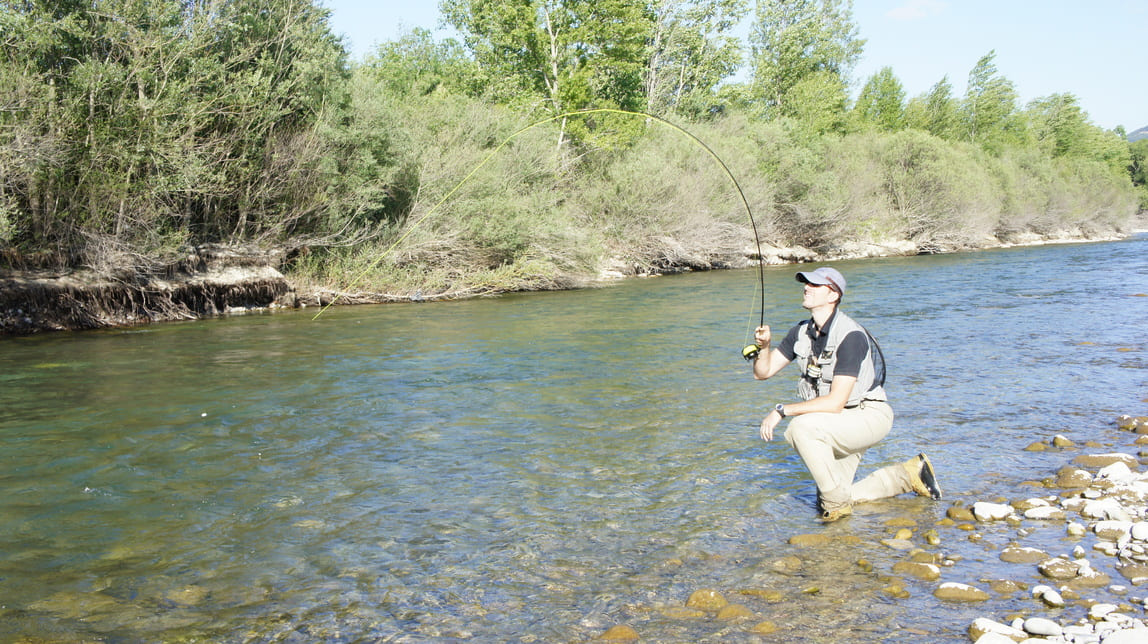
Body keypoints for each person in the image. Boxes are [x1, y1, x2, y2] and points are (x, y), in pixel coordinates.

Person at [749, 266, 941, 522]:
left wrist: (781, 410)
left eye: (814, 285)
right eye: (806, 283)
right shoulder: (800, 332)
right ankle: (909, 475)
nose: (806, 287)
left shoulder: (851, 336)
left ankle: (836, 508)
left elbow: (836, 401)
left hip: (867, 415)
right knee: (831, 497)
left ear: (832, 295)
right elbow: (763, 372)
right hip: (835, 422)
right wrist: (764, 347)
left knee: (800, 428)